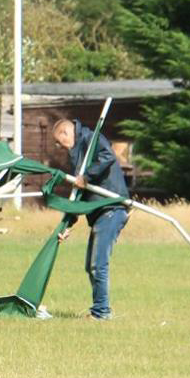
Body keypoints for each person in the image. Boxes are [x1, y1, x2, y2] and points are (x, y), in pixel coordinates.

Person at [50, 117, 130, 320]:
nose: (59, 147)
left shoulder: (90, 139)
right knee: (91, 265)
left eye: (59, 141)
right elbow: (79, 195)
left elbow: (107, 156)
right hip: (99, 212)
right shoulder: (77, 154)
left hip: (110, 208)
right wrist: (67, 224)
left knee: (98, 263)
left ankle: (101, 312)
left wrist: (87, 177)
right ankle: (99, 309)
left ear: (67, 133)